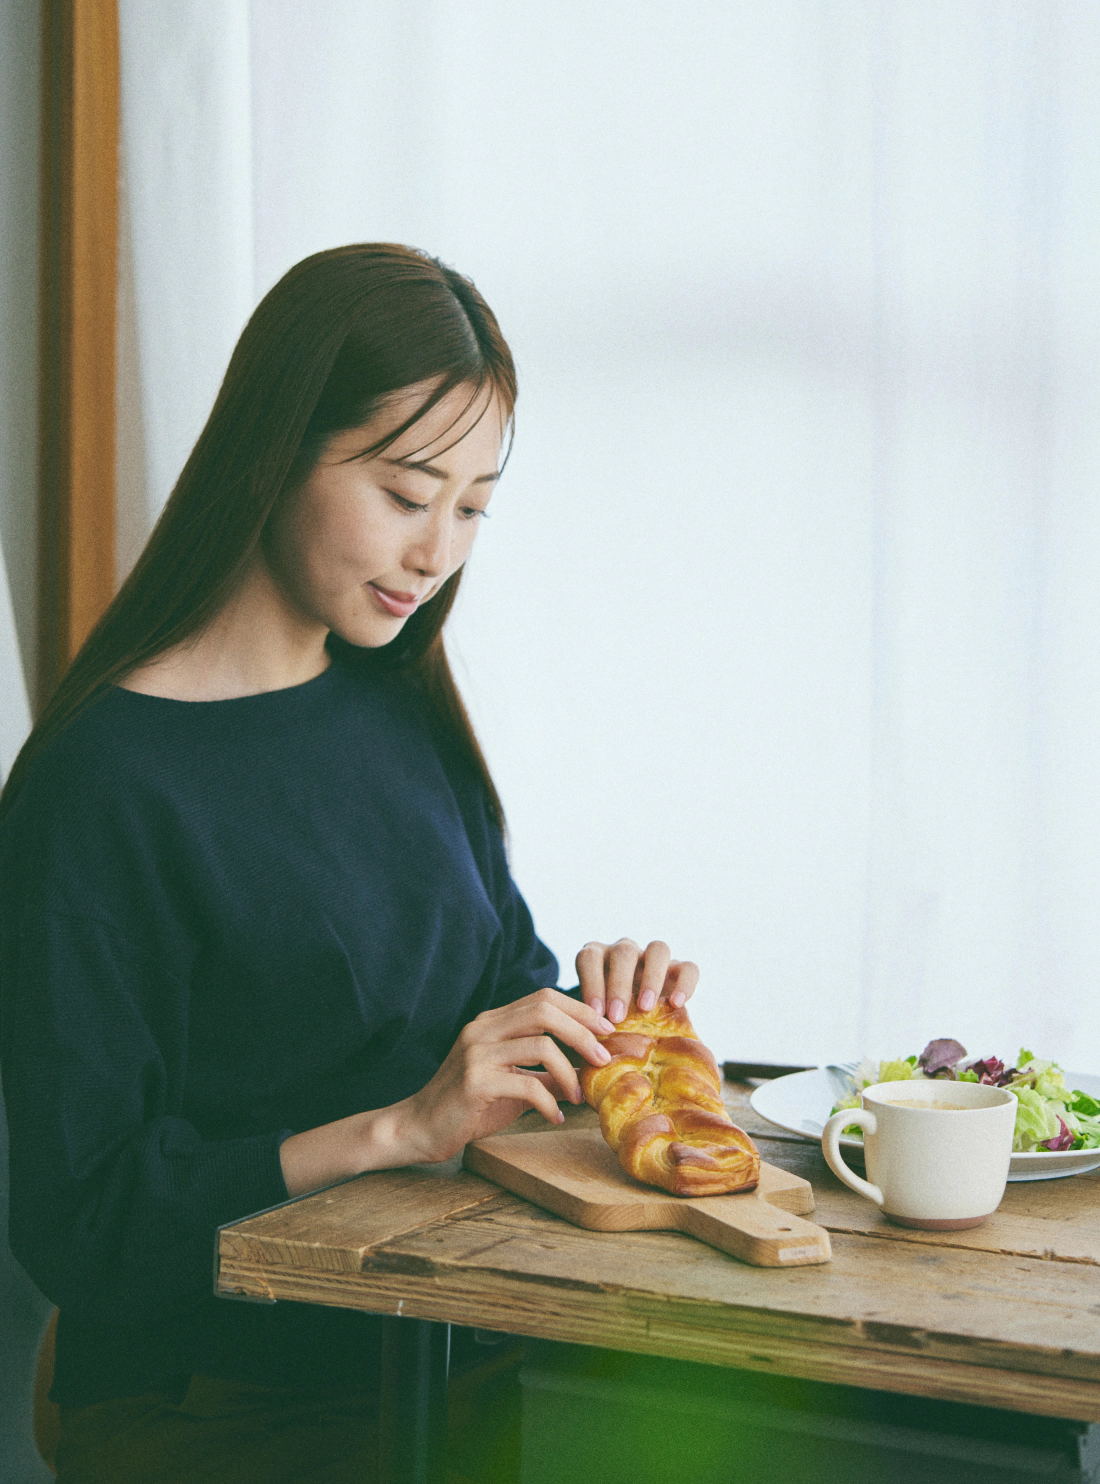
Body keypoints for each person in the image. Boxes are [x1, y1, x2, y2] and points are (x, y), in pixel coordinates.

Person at [0, 244, 698, 1482]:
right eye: (405, 489)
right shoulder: (97, 784)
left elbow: (488, 993)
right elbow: (82, 1219)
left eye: (473, 506)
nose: (437, 550)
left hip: (452, 1367)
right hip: (219, 1409)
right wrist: (398, 1126)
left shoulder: (397, 702)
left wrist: (594, 1024)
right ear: (275, 448)